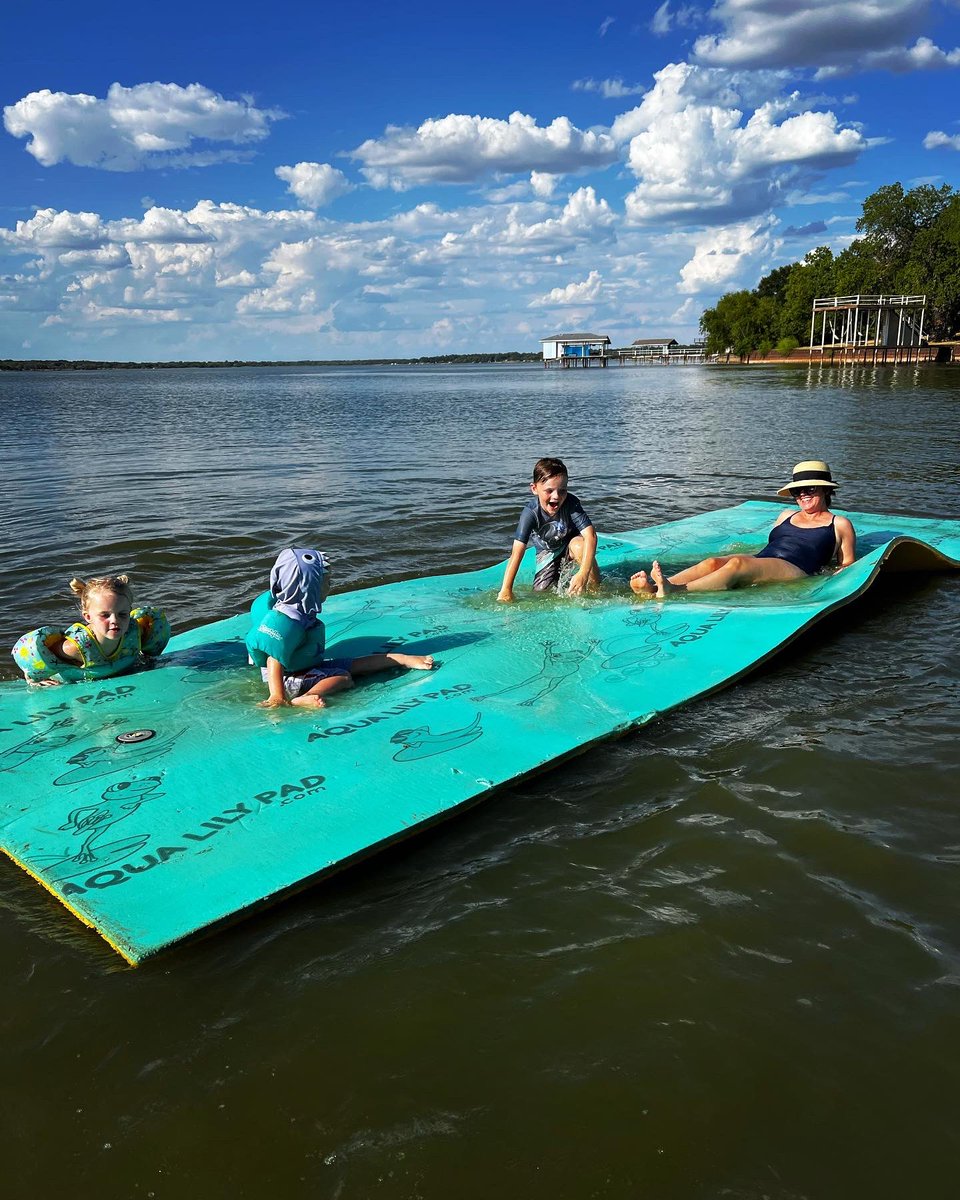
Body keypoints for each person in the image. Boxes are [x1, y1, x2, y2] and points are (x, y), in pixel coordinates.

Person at [630, 460, 856, 598]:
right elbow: (772, 546)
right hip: (764, 559)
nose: (803, 495)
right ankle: (655, 588)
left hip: (798, 568)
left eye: (810, 489)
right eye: (798, 491)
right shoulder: (786, 515)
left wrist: (830, 579)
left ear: (826, 491)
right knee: (713, 562)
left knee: (740, 564)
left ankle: (675, 591)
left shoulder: (839, 523)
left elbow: (848, 564)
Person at [245, 547, 434, 709]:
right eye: (327, 582)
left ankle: (399, 659)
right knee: (343, 677)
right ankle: (305, 697)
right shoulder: (287, 621)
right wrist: (277, 696)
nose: (331, 586)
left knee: (353, 664)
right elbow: (273, 659)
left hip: (305, 667)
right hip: (288, 678)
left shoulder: (298, 612)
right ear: (307, 587)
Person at [12, 574, 170, 685]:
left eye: (122, 614)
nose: (115, 621)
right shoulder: (76, 647)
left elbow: (148, 652)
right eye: (105, 615)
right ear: (88, 617)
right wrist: (35, 677)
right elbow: (41, 655)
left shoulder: (135, 632)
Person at [497, 457, 601, 602]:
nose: (556, 496)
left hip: (571, 546)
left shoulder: (571, 503)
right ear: (534, 489)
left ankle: (597, 588)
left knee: (580, 546)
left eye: (562, 490)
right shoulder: (530, 513)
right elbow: (517, 552)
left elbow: (591, 536)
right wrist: (506, 589)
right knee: (542, 596)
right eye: (549, 490)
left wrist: (583, 573)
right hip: (548, 554)